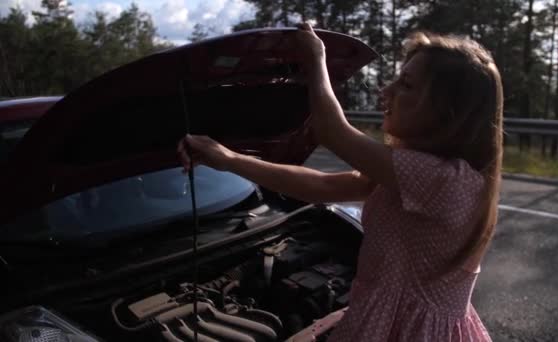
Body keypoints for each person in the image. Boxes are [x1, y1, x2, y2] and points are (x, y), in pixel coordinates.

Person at [177, 23, 502, 341]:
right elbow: (323, 186)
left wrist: (316, 59)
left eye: (405, 85)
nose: (385, 90)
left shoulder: (445, 179)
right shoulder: (418, 174)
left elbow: (331, 131)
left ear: (447, 111)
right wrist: (228, 159)